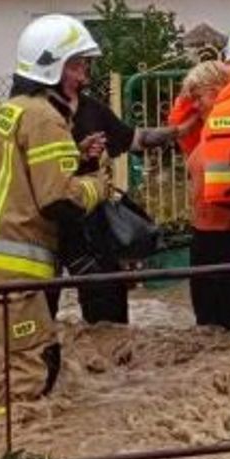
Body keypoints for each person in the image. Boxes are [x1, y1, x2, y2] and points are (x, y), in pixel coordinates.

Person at [0, 15, 109, 408]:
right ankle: (9, 438)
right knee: (34, 366)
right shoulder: (44, 118)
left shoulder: (17, 109)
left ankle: (11, 430)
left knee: (34, 358)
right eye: (77, 66)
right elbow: (58, 200)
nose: (84, 77)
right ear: (50, 67)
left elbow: (27, 174)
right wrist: (100, 185)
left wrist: (73, 155)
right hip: (10, 265)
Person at [59, 66, 175, 326]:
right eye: (76, 64)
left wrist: (180, 130)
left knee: (106, 301)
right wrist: (78, 153)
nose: (84, 71)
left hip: (91, 220)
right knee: (41, 302)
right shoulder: (40, 113)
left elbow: (134, 139)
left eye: (85, 63)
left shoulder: (93, 110)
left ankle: (108, 343)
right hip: (49, 219)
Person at [171, 58, 230, 331]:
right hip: (207, 234)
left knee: (227, 324)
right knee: (210, 326)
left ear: (217, 90)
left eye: (199, 98)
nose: (195, 106)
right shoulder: (207, 131)